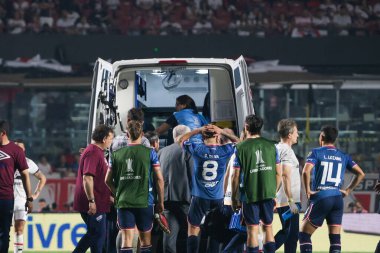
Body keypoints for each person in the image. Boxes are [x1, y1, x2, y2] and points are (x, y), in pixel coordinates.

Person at [299, 125, 365, 253]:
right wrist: (347, 190)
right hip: (337, 198)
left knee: (304, 235)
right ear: (335, 139)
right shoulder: (343, 155)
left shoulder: (316, 152)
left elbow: (306, 172)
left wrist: (307, 190)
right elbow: (361, 174)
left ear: (321, 137)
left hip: (322, 196)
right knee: (335, 239)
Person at [178, 124, 239, 253]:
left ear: (203, 136)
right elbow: (240, 143)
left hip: (199, 197)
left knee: (193, 228)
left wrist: (198, 130)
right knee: (215, 231)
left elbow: (180, 140)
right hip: (218, 198)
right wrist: (222, 131)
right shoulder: (225, 150)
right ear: (217, 136)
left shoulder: (197, 149)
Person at [105, 120, 164, 253]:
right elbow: (159, 179)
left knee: (126, 241)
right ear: (142, 134)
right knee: (145, 242)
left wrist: (117, 193)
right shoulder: (150, 153)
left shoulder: (116, 154)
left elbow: (107, 180)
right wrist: (160, 201)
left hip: (124, 201)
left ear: (127, 134)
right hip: (145, 201)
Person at [231, 115, 281, 253]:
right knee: (268, 227)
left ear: (246, 127)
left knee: (252, 230)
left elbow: (235, 176)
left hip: (249, 194)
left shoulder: (240, 147)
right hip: (268, 193)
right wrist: (273, 192)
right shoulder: (272, 145)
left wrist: (234, 197)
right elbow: (279, 174)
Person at [73, 124, 114, 253]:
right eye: (111, 138)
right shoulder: (93, 152)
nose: (111, 142)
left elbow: (99, 179)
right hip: (92, 201)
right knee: (96, 234)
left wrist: (109, 197)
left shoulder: (96, 152)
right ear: (104, 139)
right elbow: (88, 178)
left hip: (99, 200)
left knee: (97, 236)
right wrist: (92, 201)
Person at [158, 125, 192, 253]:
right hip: (185, 200)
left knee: (169, 237)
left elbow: (156, 177)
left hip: (165, 200)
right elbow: (193, 175)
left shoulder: (161, 152)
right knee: (192, 233)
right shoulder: (188, 151)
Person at [0, 120, 33, 253]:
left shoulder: (16, 151)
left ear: (3, 133)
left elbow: (25, 175)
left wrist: (29, 199)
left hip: (6, 198)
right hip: (6, 199)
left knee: (4, 234)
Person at [13, 139, 47, 253]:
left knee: (19, 230)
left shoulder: (28, 163)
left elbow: (42, 178)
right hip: (5, 199)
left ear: (24, 150)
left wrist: (35, 195)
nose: (18, 150)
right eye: (16, 148)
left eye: (20, 148)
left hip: (21, 201)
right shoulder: (6, 161)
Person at [274, 119, 301, 253]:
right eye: (296, 132)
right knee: (289, 232)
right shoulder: (286, 150)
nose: (298, 135)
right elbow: (285, 175)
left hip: (284, 199)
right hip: (287, 200)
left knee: (290, 234)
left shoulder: (279, 148)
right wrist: (291, 201)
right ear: (289, 134)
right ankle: (265, 250)